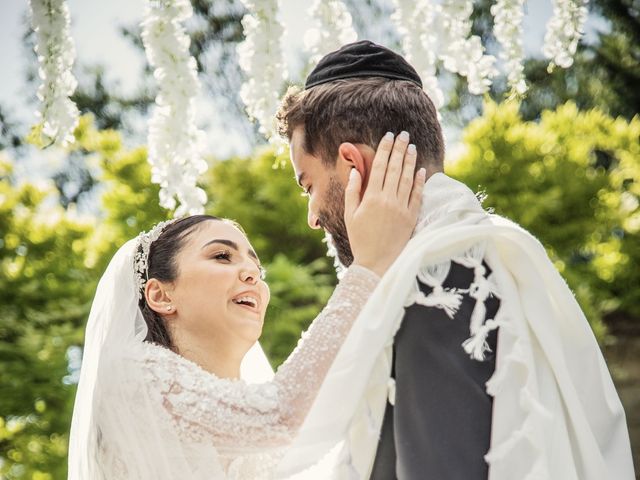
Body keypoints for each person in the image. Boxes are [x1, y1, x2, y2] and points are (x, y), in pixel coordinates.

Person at [275, 40, 635, 480]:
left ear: (353, 165)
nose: (312, 217)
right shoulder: (491, 251)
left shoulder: (438, 275)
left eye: (307, 185)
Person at [67, 134, 426, 479]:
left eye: (257, 268)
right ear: (160, 295)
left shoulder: (250, 423)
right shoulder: (132, 374)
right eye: (222, 256)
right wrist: (367, 268)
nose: (252, 274)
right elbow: (280, 414)